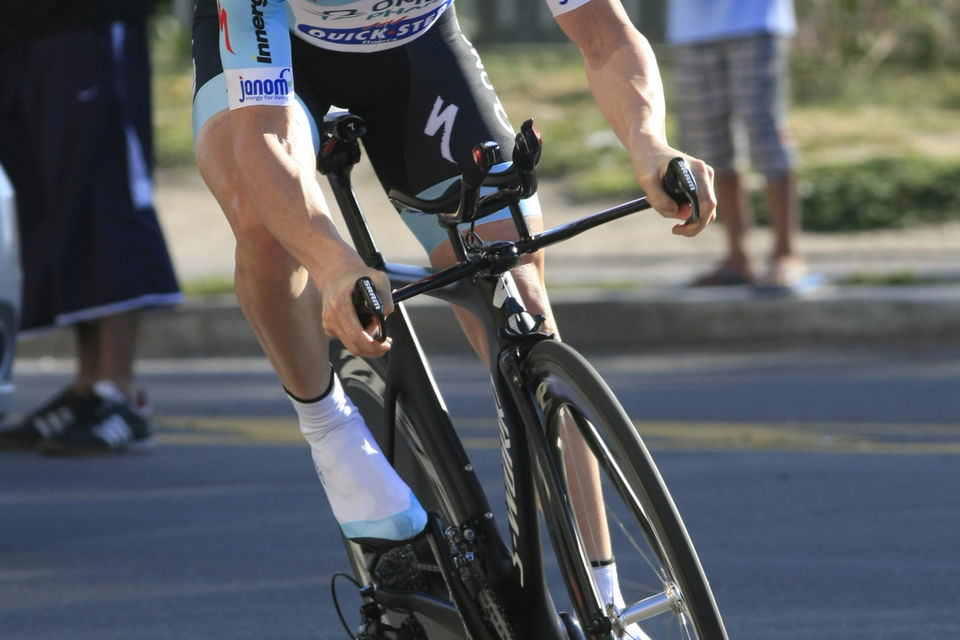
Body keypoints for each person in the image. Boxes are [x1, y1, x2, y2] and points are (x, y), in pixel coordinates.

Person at [191, 0, 716, 617]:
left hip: (417, 50)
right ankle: (330, 432)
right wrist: (332, 263)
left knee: (518, 291)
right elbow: (268, 135)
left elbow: (605, 33)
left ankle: (605, 602)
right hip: (276, 63)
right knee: (263, 224)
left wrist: (647, 140)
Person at [0, 1, 182, 454]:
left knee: (107, 196)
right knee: (53, 211)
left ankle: (119, 391)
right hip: (19, 32)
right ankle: (88, 386)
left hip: (91, 20)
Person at [668, 0, 806, 290]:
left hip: (755, 19)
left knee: (764, 132)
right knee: (709, 145)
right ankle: (737, 257)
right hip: (691, 29)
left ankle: (786, 253)